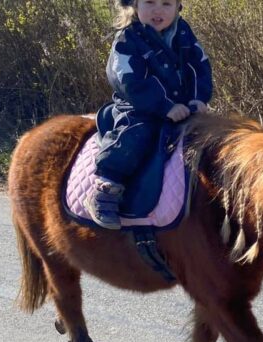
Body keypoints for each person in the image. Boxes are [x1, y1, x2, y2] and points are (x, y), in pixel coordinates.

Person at [85, 0, 213, 229]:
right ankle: (107, 187)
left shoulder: (184, 33)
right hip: (139, 106)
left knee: (213, 137)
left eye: (166, 3)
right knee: (137, 133)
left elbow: (200, 66)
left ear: (178, 7)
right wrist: (164, 106)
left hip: (182, 107)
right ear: (134, 5)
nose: (158, 10)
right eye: (150, 2)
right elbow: (129, 79)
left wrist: (197, 98)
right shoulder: (128, 39)